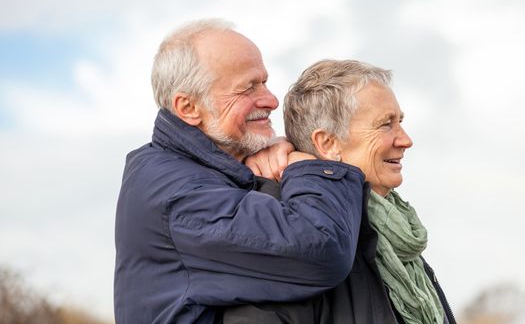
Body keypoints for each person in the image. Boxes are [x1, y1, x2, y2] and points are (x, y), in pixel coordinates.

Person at [114, 20, 368, 324]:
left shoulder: (210, 167)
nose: (272, 100)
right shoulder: (176, 195)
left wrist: (272, 153)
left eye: (264, 82)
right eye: (248, 88)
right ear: (189, 108)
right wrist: (307, 167)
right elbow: (322, 246)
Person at [224, 60, 456, 324]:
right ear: (328, 143)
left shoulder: (394, 236)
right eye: (385, 124)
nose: (405, 140)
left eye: (400, 121)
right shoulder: (285, 230)